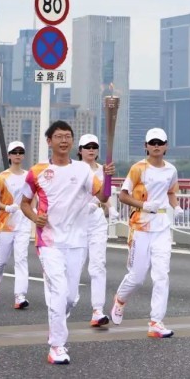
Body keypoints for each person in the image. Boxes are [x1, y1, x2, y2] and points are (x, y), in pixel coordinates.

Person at [21, 121, 115, 365]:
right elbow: (25, 203)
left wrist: (107, 178)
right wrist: (35, 217)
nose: (64, 140)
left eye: (67, 136)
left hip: (77, 241)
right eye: (58, 136)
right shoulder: (37, 171)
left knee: (71, 297)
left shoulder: (83, 170)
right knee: (59, 292)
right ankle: (57, 346)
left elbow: (103, 196)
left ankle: (57, 325)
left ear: (72, 141)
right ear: (49, 141)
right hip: (49, 241)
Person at [110, 127, 183, 339]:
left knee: (161, 275)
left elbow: (171, 192)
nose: (156, 146)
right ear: (146, 146)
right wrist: (143, 205)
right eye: (153, 143)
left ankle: (156, 322)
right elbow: (123, 196)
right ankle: (120, 299)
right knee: (137, 277)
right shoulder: (138, 169)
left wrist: (176, 206)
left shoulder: (171, 170)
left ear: (166, 146)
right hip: (140, 226)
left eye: (160, 143)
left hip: (162, 227)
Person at [76, 134, 119, 328]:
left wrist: (111, 208)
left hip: (96, 220)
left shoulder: (104, 170)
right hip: (76, 221)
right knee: (75, 266)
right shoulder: (74, 169)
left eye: (94, 146)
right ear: (80, 150)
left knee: (98, 265)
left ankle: (98, 310)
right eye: (87, 147)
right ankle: (65, 303)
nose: (91, 150)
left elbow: (103, 194)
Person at [0, 141, 32, 310]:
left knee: (21, 259)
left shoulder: (29, 176)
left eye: (20, 152)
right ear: (9, 155)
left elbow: (33, 197)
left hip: (23, 224)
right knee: (2, 260)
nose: (18, 155)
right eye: (14, 152)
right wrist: (6, 208)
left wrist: (33, 211)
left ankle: (20, 296)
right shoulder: (2, 177)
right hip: (5, 224)